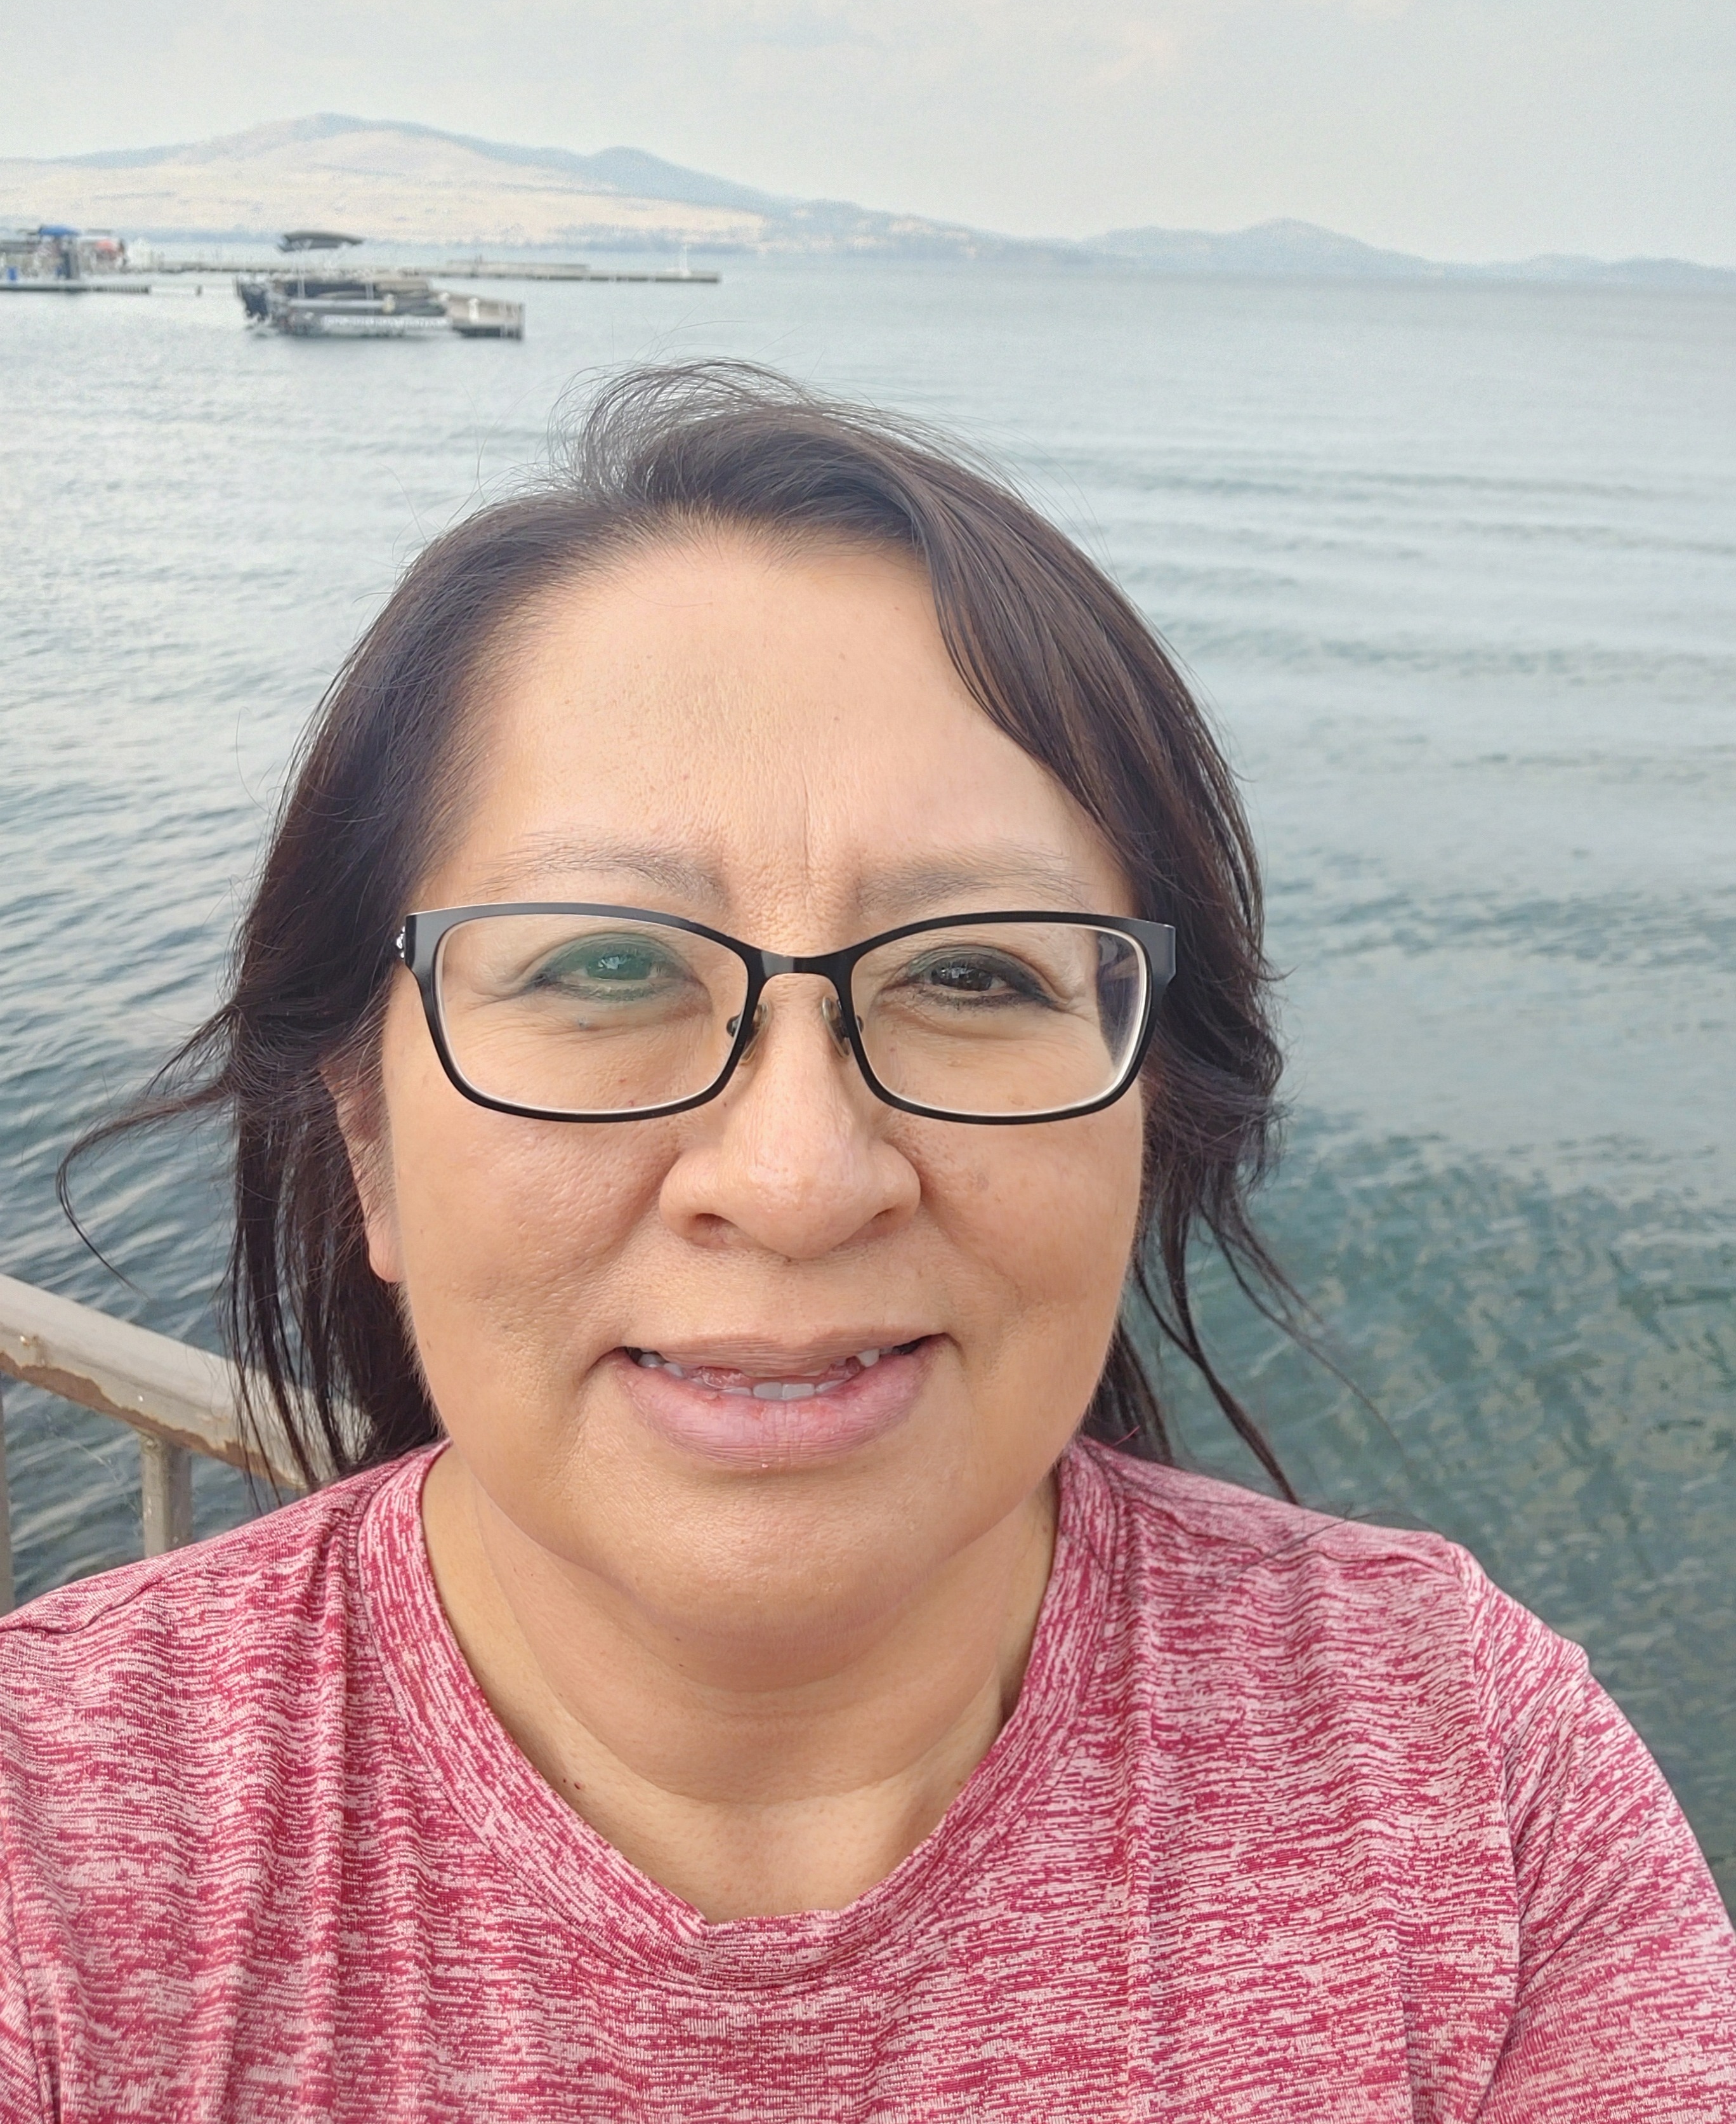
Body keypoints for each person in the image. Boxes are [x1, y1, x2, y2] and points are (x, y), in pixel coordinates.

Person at [2, 366, 1730, 2121]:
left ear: (1150, 1118)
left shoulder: (1472, 1787)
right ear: (368, 1140)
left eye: (973, 972)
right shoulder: (51, 1845)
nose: (800, 1178)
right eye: (605, 965)